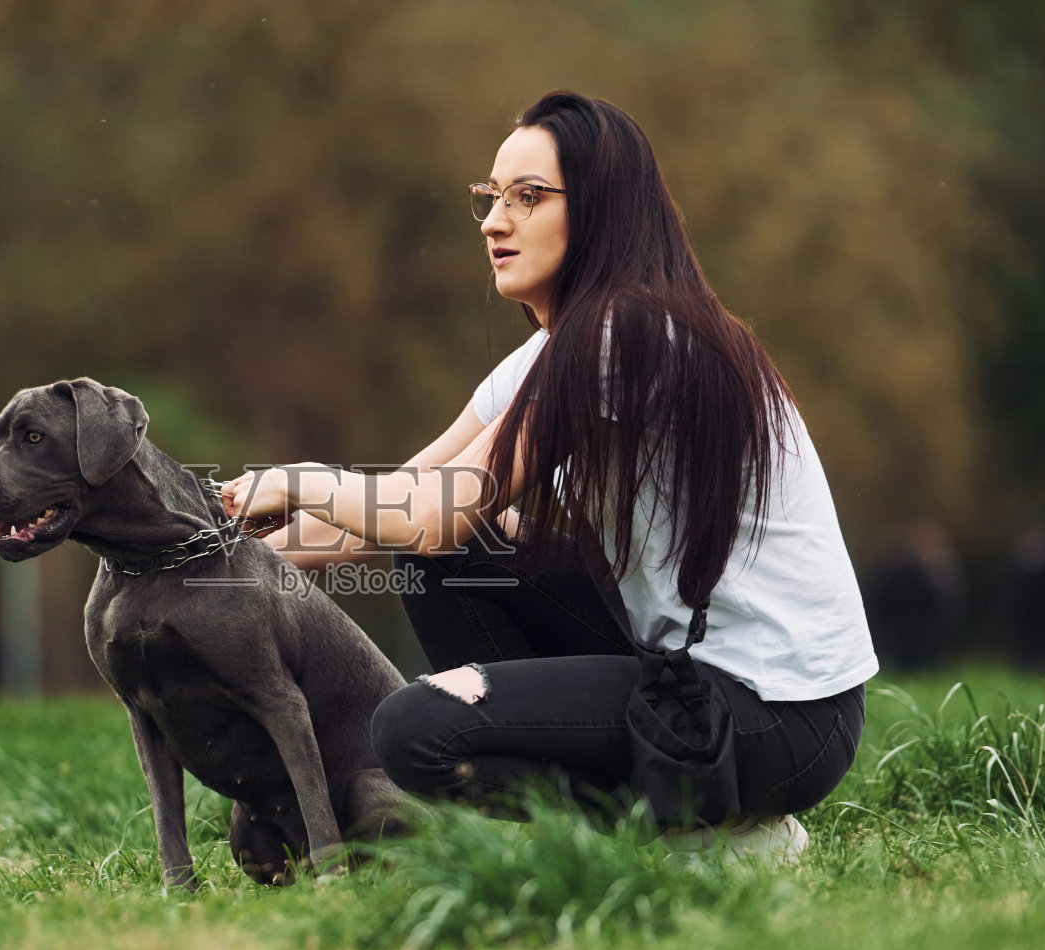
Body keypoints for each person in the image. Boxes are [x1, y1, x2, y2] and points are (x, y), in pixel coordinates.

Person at [220, 90, 876, 861]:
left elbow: (430, 511)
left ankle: (694, 835)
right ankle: (688, 824)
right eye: (490, 198)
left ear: (599, 208)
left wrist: (298, 477)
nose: (496, 221)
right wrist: (196, 549)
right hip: (687, 677)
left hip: (781, 716)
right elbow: (400, 500)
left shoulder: (627, 334)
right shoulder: (558, 350)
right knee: (450, 556)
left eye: (528, 198)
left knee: (414, 728)